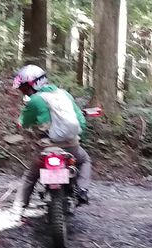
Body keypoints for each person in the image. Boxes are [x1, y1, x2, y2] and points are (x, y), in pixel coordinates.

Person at [12, 64, 93, 209]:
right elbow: (80, 120)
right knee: (85, 160)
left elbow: (24, 122)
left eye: (24, 88)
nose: (24, 92)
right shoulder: (64, 94)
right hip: (71, 145)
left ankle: (18, 207)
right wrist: (81, 136)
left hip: (48, 147)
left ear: (33, 84)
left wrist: (21, 123)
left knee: (30, 177)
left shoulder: (35, 100)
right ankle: (82, 189)